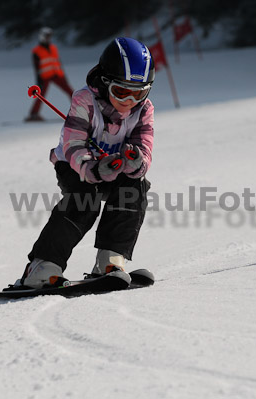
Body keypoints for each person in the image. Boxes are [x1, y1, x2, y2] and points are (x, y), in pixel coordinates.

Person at [14, 37, 156, 289]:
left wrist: (135, 161)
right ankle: (42, 267)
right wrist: (93, 169)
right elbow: (73, 144)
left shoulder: (143, 109)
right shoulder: (84, 100)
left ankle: (110, 260)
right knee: (84, 199)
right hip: (74, 164)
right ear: (105, 83)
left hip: (115, 166)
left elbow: (144, 146)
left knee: (134, 189)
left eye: (139, 92)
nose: (129, 101)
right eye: (121, 91)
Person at [25, 27, 74, 122]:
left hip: (57, 74)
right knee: (41, 95)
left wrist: (64, 77)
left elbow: (58, 62)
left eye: (49, 36)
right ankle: (34, 114)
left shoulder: (53, 48)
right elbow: (37, 68)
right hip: (45, 77)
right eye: (46, 36)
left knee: (71, 92)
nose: (48, 38)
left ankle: (81, 111)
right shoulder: (36, 51)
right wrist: (39, 82)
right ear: (42, 37)